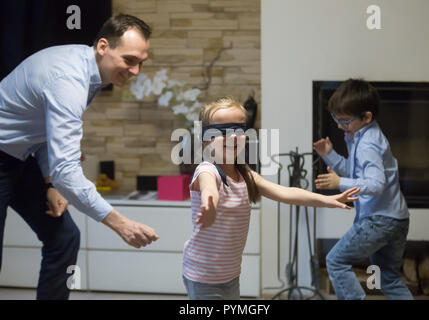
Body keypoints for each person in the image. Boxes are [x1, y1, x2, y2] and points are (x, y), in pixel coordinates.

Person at [0, 14, 159, 300]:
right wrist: (120, 223)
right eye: (130, 60)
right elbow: (67, 170)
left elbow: (45, 132)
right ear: (102, 47)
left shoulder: (91, 72)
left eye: (141, 62)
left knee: (64, 238)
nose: (136, 71)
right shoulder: (69, 79)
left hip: (21, 157)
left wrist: (50, 183)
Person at [182, 97, 360, 300]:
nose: (230, 138)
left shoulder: (245, 174)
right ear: (205, 140)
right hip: (203, 275)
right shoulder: (206, 170)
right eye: (221, 132)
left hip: (230, 274)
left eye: (237, 131)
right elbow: (208, 189)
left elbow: (286, 192)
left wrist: (327, 200)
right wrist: (209, 204)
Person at [313, 79, 413, 300]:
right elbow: (356, 172)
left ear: (366, 117)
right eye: (335, 118)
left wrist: (339, 184)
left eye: (345, 120)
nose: (339, 125)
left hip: (379, 220)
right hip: (397, 218)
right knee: (389, 278)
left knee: (336, 261)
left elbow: (376, 185)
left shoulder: (367, 144)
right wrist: (329, 154)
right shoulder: (363, 134)